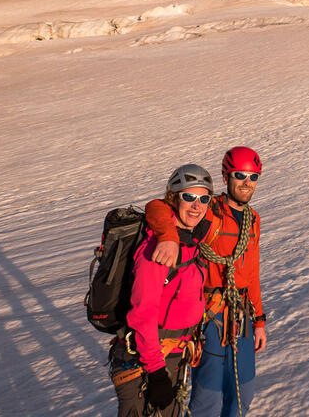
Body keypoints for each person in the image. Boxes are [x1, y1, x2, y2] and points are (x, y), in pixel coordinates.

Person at [145, 147, 266, 417]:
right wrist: (167, 236)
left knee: (242, 396)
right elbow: (156, 208)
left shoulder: (253, 220)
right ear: (226, 176)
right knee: (207, 400)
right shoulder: (208, 210)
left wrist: (259, 321)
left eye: (253, 176)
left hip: (243, 318)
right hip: (212, 320)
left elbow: (252, 273)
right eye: (240, 175)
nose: (247, 182)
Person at [110, 164, 214, 417]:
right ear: (174, 198)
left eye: (204, 198)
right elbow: (142, 315)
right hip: (147, 362)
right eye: (189, 197)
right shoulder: (158, 250)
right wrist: (156, 373)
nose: (196, 205)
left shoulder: (189, 242)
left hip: (174, 355)